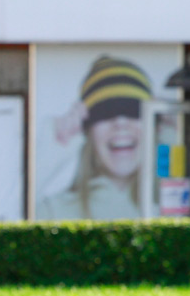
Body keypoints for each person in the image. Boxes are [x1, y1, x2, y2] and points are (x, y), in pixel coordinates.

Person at [37, 56, 152, 220]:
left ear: (154, 124)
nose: (120, 123)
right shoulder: (52, 213)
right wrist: (46, 159)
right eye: (105, 112)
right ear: (87, 131)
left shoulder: (173, 207)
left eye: (134, 110)